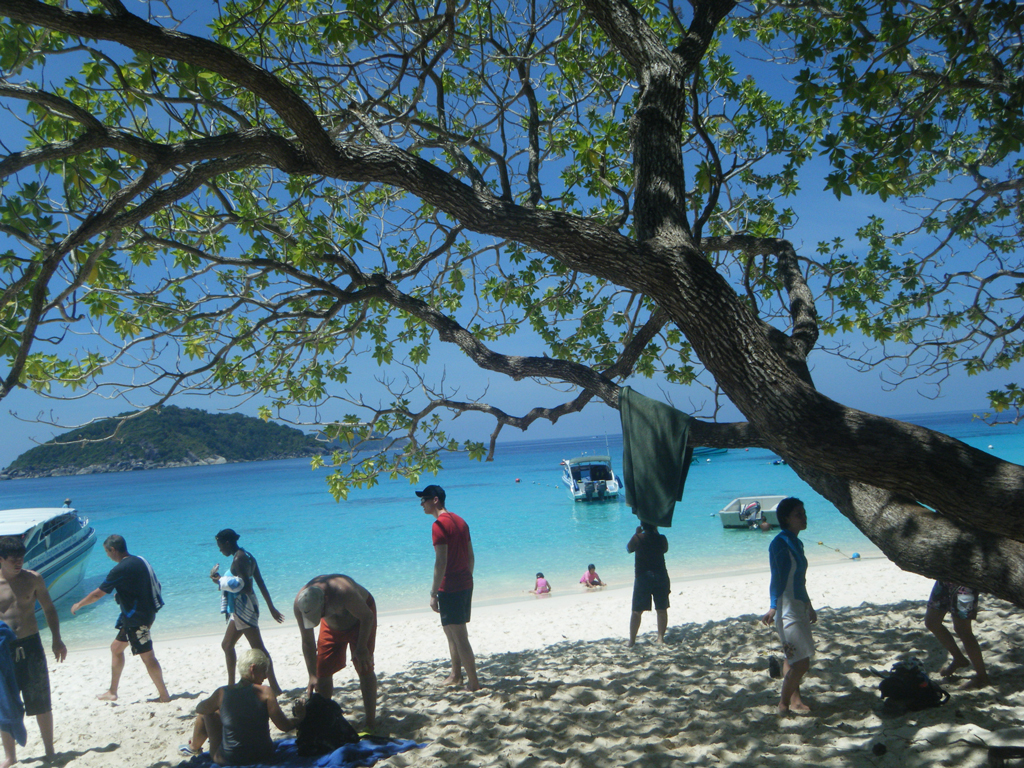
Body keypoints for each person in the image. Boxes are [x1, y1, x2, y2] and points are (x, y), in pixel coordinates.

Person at [71, 534, 170, 702]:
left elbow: (97, 594)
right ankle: (112, 692)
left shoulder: (119, 569)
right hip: (142, 614)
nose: (107, 555)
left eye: (107, 552)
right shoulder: (139, 560)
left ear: (113, 550)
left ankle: (164, 695)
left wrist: (79, 604)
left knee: (148, 657)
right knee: (116, 649)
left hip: (137, 619)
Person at [0, 536, 66, 764]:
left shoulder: (33, 579)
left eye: (21, 557)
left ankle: (49, 750)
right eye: (13, 559)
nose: (19, 562)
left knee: (40, 700)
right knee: (5, 703)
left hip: (31, 645)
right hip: (3, 650)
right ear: (1, 559)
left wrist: (57, 639)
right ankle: (10, 756)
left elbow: (49, 609)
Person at [181, 649, 305, 765]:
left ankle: (193, 747)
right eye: (264, 671)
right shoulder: (266, 692)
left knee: (207, 714)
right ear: (253, 669)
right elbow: (284, 726)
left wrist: (219, 707)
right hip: (264, 755)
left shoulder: (222, 693)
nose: (265, 677)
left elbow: (200, 709)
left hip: (228, 759)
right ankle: (194, 747)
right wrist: (300, 717)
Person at [294, 575, 377, 731]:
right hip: (331, 626)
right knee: (321, 673)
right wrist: (311, 674)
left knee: (364, 667)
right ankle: (325, 721)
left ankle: (371, 722)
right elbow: (307, 641)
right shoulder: (301, 603)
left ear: (325, 600)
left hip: (361, 621)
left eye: (318, 615)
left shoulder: (344, 591)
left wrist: (361, 647)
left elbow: (367, 616)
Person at [417, 485, 480, 691]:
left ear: (435, 500)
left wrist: (433, 593)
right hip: (464, 583)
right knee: (450, 631)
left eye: (424, 499)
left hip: (451, 587)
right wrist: (467, 578)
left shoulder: (439, 526)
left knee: (459, 635)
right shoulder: (461, 521)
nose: (421, 503)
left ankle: (474, 682)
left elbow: (440, 562)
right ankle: (456, 675)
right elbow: (471, 556)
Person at [210, 529, 285, 695]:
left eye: (220, 546)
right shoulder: (248, 556)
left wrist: (220, 581)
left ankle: (276, 688)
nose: (220, 550)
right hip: (243, 608)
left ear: (227, 543)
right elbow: (260, 582)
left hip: (243, 608)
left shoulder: (239, 558)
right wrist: (271, 607)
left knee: (259, 650)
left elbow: (246, 586)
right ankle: (231, 686)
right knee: (227, 645)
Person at [760, 497, 816, 715]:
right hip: (785, 608)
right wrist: (773, 606)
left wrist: (808, 604)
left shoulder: (797, 542)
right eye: (798, 514)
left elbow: (799, 579)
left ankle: (796, 700)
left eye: (803, 513)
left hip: (798, 605)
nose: (804, 518)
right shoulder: (779, 543)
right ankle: (784, 703)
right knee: (801, 663)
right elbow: (778, 577)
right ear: (786, 519)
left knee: (791, 657)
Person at [924, 581, 989, 689]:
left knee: (963, 630)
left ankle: (982, 677)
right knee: (932, 622)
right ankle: (959, 658)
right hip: (944, 578)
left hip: (965, 581)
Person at [627, 524, 670, 646]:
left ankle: (632, 641)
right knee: (661, 609)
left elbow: (628, 548)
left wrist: (636, 534)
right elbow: (665, 549)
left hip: (643, 577)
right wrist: (656, 533)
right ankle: (660, 638)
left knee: (636, 611)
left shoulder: (638, 538)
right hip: (660, 575)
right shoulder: (661, 538)